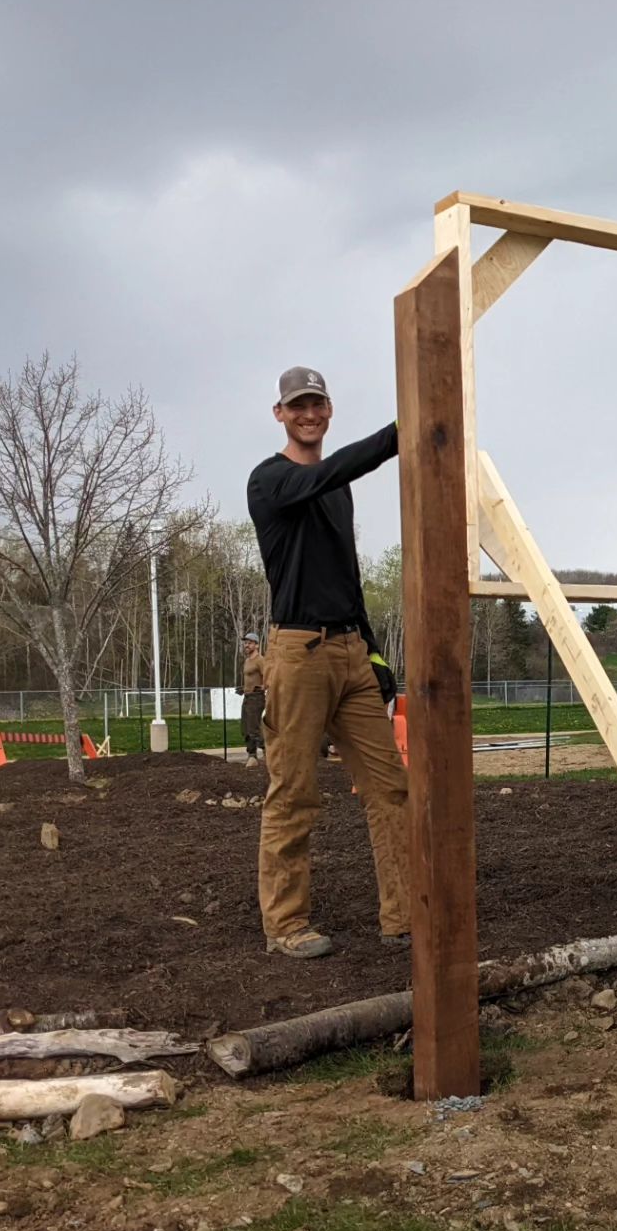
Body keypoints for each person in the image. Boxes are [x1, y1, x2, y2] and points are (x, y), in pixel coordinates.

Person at [246, 366, 409, 961]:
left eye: (317, 404)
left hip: (348, 652)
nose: (309, 413)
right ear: (280, 413)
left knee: (392, 787)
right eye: (298, 406)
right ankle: (286, 924)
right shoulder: (269, 481)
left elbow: (348, 575)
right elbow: (331, 469)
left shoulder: (337, 490)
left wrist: (373, 648)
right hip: (297, 653)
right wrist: (398, 432)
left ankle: (402, 916)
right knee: (293, 791)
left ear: (329, 409)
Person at [240, 632, 265, 764]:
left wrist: (262, 687)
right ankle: (254, 754)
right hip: (247, 696)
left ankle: (263, 752)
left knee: (253, 728)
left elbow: (269, 676)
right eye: (245, 643)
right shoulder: (247, 661)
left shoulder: (260, 660)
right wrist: (243, 688)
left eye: (249, 643)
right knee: (245, 727)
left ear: (256, 645)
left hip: (256, 697)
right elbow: (249, 678)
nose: (246, 645)